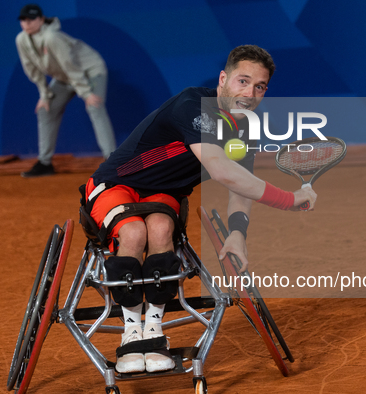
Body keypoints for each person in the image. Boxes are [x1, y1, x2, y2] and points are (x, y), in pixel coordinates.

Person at [81, 45, 316, 374]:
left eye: (259, 86)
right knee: (133, 231)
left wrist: (237, 233)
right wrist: (289, 200)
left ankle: (154, 331)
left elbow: (240, 183)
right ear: (223, 79)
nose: (249, 93)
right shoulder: (194, 106)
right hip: (116, 185)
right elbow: (222, 171)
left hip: (164, 194)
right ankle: (130, 334)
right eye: (242, 81)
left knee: (161, 231)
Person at [16, 4, 117, 177]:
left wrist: (86, 93)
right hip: (64, 78)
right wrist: (44, 95)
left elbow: (71, 66)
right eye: (24, 20)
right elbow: (32, 70)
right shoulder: (21, 40)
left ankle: (113, 163)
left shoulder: (52, 37)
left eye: (31, 19)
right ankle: (45, 163)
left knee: (94, 107)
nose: (27, 23)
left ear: (41, 19)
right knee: (44, 110)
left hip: (90, 72)